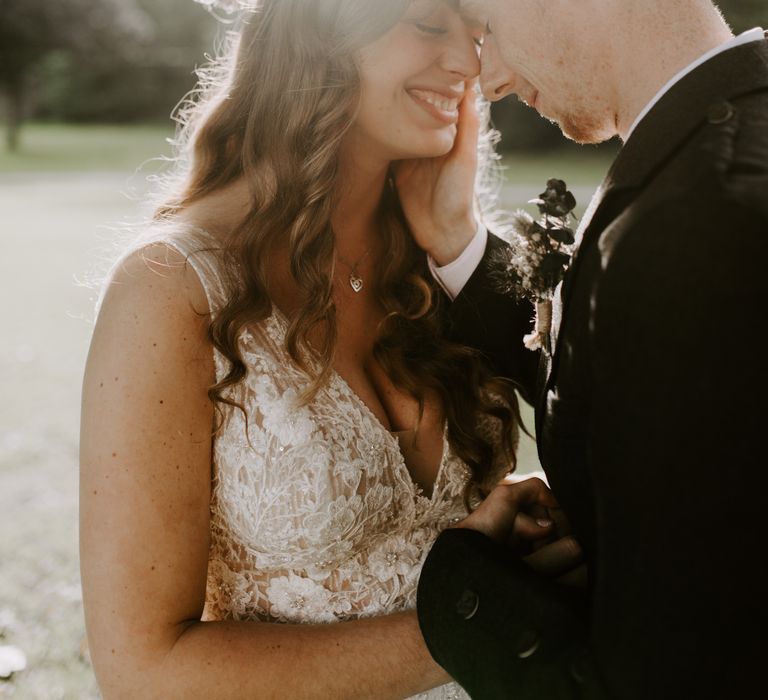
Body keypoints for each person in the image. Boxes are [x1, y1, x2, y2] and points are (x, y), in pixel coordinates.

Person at [79, 1, 582, 698]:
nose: (469, 65)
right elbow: (142, 672)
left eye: (478, 34)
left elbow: (607, 397)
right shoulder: (174, 289)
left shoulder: (438, 261)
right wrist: (472, 613)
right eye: (431, 26)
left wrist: (507, 535)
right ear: (319, 32)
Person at [414, 1, 768, 698]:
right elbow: (639, 361)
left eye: (489, 28)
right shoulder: (711, 152)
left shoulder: (703, 223)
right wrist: (459, 244)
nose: (489, 81)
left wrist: (461, 595)